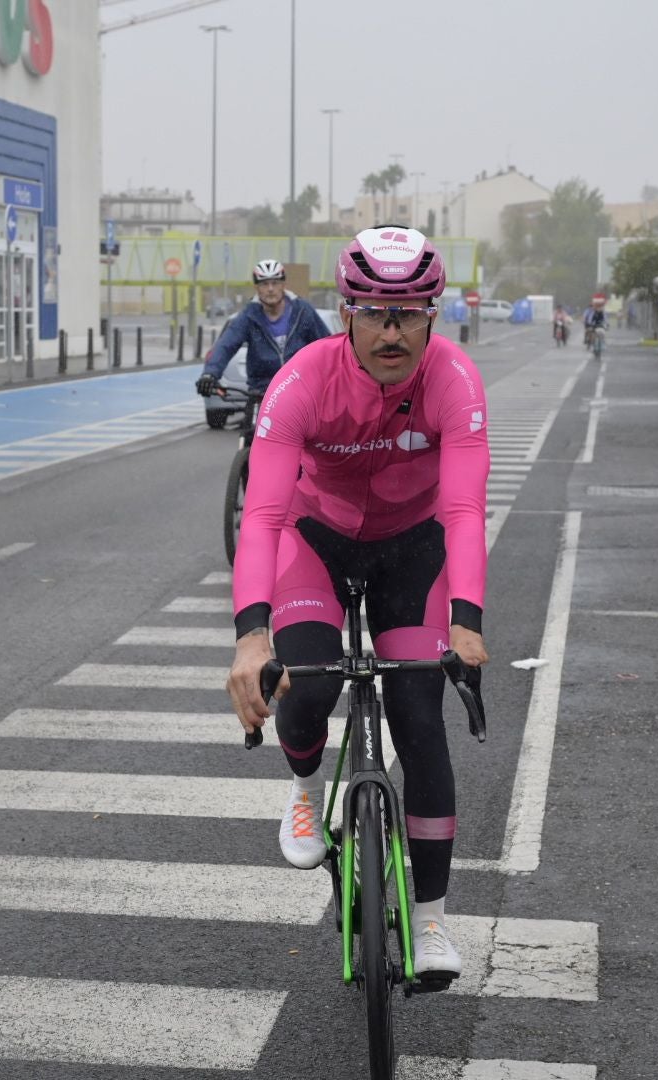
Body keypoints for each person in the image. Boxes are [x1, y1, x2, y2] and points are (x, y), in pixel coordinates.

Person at [223, 225, 489, 981]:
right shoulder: (303, 380)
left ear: (434, 315)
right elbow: (265, 517)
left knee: (419, 717)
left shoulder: (453, 380)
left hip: (413, 547)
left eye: (410, 312)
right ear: (347, 313)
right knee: (303, 685)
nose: (393, 330)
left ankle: (432, 925)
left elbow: (466, 510)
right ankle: (307, 790)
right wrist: (251, 637)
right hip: (318, 537)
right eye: (375, 311)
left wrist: (466, 623)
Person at [194, 259, 331, 398]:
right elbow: (226, 345)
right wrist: (210, 374)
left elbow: (326, 345)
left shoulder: (302, 311)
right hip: (262, 392)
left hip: (300, 390)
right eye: (264, 284)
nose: (270, 289)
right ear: (257, 288)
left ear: (283, 285)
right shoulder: (248, 316)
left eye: (275, 283)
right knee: (255, 418)